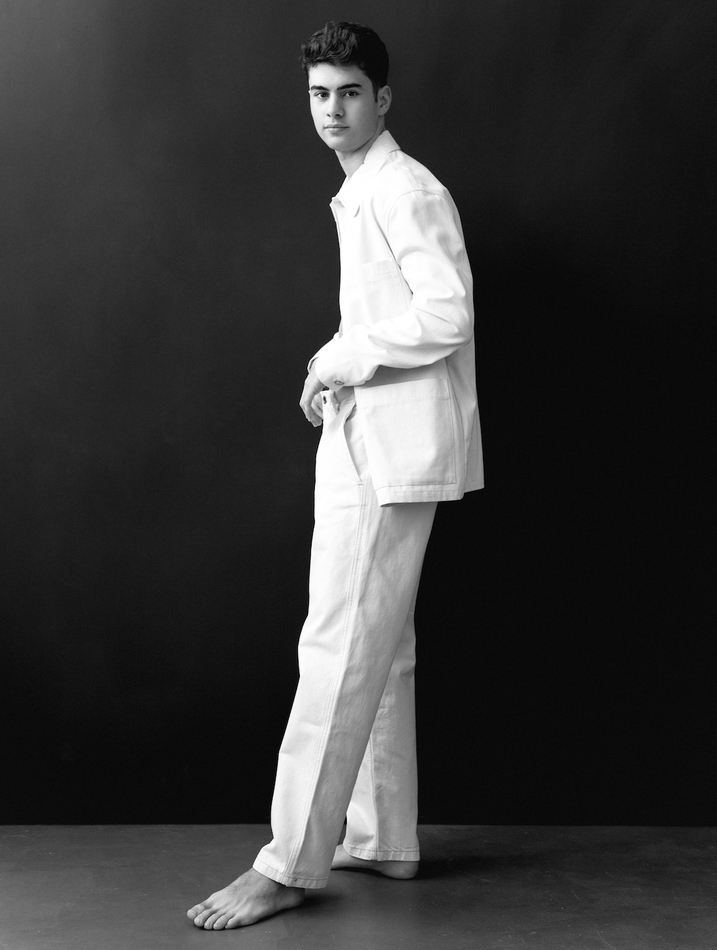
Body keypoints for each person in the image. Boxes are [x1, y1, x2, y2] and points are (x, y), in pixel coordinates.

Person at [187, 21, 483, 930]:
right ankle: (383, 839)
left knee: (338, 648)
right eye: (319, 94)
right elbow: (391, 319)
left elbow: (448, 312)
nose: (332, 110)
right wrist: (336, 373)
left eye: (349, 93)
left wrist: (340, 358)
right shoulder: (364, 188)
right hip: (372, 441)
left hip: (393, 455)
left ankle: (287, 865)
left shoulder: (404, 188)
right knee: (379, 649)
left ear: (381, 99)